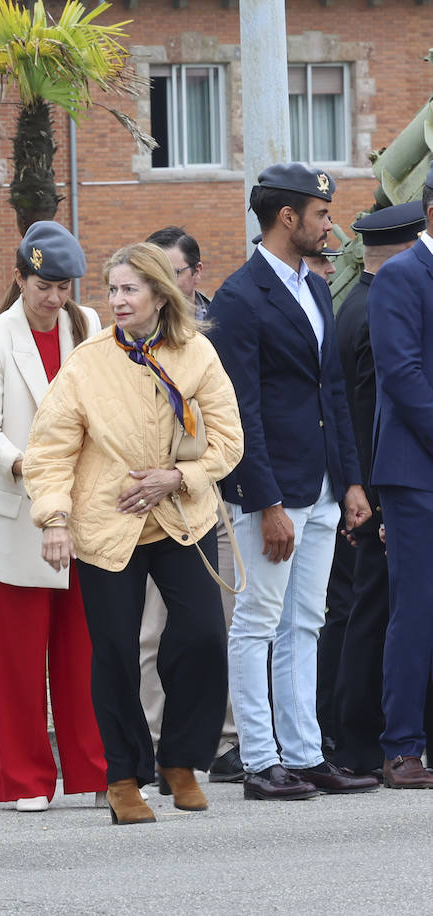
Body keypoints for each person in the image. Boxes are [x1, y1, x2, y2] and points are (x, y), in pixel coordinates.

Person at [24, 242, 242, 825]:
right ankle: (122, 777)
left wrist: (177, 476)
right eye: (112, 289)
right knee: (116, 653)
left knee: (201, 637)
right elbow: (48, 451)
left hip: (181, 518)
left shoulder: (197, 353)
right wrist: (54, 518)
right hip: (106, 525)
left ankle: (180, 759)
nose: (117, 300)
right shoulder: (88, 363)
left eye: (129, 289)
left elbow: (228, 440)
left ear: (157, 293)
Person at [207, 163, 378, 800]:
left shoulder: (313, 288)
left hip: (326, 487)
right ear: (289, 219)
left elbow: (331, 390)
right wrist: (267, 500)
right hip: (273, 493)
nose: (329, 225)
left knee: (306, 620)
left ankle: (304, 752)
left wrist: (352, 482)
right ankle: (258, 759)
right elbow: (240, 410)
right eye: (322, 215)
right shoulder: (239, 296)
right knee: (256, 621)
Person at [0, 221, 106, 813]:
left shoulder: (91, 325)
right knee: (17, 662)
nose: (54, 298)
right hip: (16, 512)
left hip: (83, 512)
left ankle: (96, 769)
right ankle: (25, 780)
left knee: (86, 652)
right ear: (19, 278)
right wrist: (34, 469)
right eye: (43, 285)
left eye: (63, 286)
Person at [327, 200, 427, 775]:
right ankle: (375, 743)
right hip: (386, 484)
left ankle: (355, 738)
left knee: (359, 611)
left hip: (368, 483)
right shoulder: (388, 296)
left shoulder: (359, 300)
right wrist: (366, 494)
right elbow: (383, 400)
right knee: (383, 613)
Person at [139, 226, 242, 784]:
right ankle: (155, 743)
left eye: (170, 276)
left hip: (209, 493)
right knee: (153, 631)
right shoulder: (135, 337)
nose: (158, 288)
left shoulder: (216, 330)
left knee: (216, 625)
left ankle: (223, 742)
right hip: (154, 502)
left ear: (194, 276)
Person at [368, 166, 433, 788]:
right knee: (416, 609)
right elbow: (404, 376)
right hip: (417, 473)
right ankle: (401, 748)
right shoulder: (401, 278)